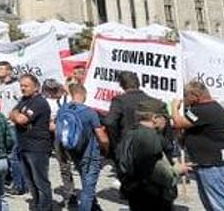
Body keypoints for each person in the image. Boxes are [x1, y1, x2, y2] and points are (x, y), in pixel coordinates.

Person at [171, 80, 224, 211]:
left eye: (186, 95)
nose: (184, 99)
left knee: (222, 205)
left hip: (213, 165)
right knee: (212, 204)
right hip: (208, 163)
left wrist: (174, 107)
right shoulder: (201, 109)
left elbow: (178, 122)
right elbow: (183, 128)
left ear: (195, 95)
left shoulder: (205, 109)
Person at [116, 100, 177, 211]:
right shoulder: (149, 137)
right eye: (164, 118)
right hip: (152, 195)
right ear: (155, 118)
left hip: (135, 191)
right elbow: (155, 170)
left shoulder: (130, 133)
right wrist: (177, 171)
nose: (166, 122)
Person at [61, 83, 108, 211]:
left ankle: (94, 207)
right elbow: (102, 137)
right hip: (90, 153)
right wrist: (106, 149)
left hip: (73, 150)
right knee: (88, 189)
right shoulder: (89, 112)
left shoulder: (64, 109)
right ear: (84, 94)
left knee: (85, 180)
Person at [9, 73, 53, 211]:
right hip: (24, 145)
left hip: (37, 148)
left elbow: (22, 119)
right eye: (21, 85)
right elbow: (12, 113)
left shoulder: (39, 102)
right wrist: (16, 114)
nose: (23, 88)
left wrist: (15, 115)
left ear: (36, 87)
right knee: (30, 180)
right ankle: (36, 205)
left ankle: (45, 207)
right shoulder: (24, 99)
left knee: (40, 181)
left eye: (26, 86)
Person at [0, 60, 24, 195]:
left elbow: (21, 102)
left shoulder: (15, 85)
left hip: (12, 124)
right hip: (2, 123)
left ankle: (19, 184)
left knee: (13, 155)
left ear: (9, 71)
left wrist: (14, 115)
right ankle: (9, 180)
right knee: (5, 154)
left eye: (2, 69)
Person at [104, 70, 152, 149]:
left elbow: (110, 122)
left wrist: (116, 142)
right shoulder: (151, 101)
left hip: (126, 147)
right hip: (148, 147)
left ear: (122, 85)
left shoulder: (120, 101)